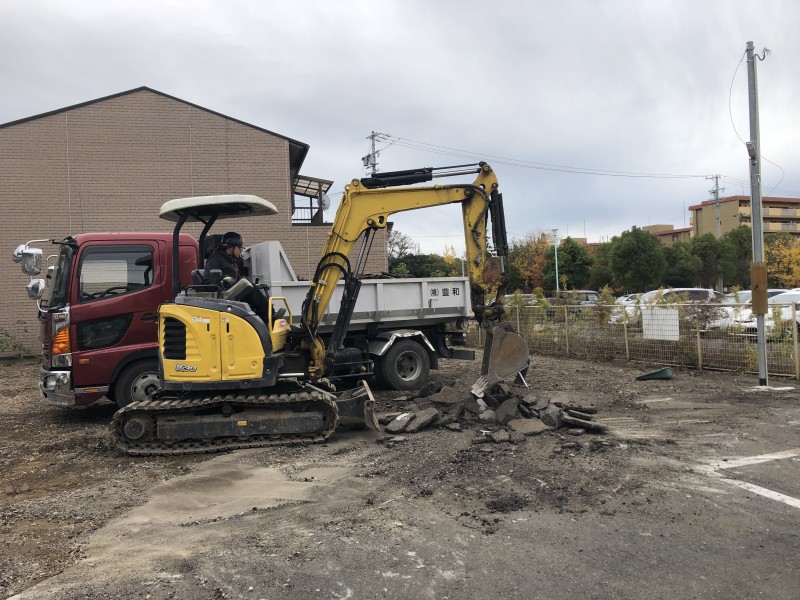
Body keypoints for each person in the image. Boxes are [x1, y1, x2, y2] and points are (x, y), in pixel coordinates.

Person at [204, 232, 271, 325]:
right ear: (231, 247)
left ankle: (267, 318)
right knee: (251, 289)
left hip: (232, 292)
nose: (240, 250)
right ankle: (269, 318)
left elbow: (238, 280)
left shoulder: (232, 261)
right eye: (239, 248)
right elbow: (208, 280)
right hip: (223, 293)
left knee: (252, 288)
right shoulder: (216, 259)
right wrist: (224, 279)